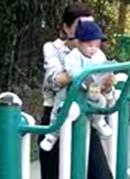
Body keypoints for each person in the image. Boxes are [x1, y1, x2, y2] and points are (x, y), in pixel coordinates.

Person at [39, 4, 115, 179]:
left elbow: (102, 86)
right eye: (80, 26)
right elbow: (53, 81)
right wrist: (80, 66)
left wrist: (106, 82)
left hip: (85, 116)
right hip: (58, 114)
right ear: (66, 28)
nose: (86, 31)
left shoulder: (94, 52)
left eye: (90, 26)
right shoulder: (53, 49)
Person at [40, 20, 115, 151]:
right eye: (90, 45)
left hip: (91, 87)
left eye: (97, 45)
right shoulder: (73, 56)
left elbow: (102, 66)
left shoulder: (98, 55)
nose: (94, 49)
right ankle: (52, 134)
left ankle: (99, 121)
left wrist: (108, 70)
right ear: (78, 43)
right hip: (72, 89)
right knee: (59, 107)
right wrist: (84, 75)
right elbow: (72, 70)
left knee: (101, 101)